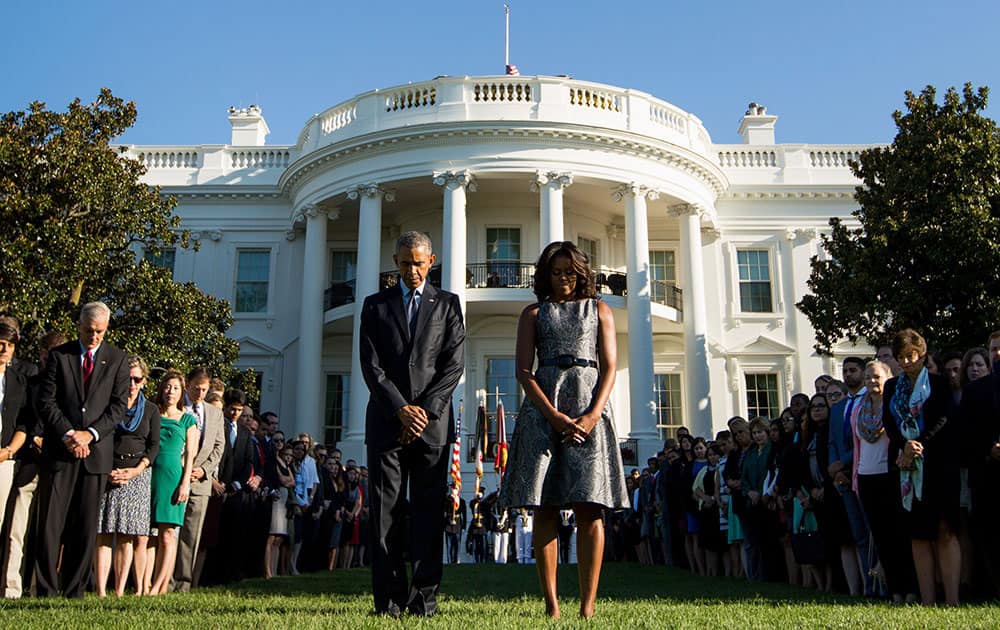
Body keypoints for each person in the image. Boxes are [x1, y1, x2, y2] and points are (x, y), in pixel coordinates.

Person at [498, 241, 629, 619]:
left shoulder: (600, 311)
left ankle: (587, 606)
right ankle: (552, 604)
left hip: (590, 407)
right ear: (545, 275)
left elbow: (609, 367)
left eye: (570, 272)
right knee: (546, 506)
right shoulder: (533, 313)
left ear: (582, 273)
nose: (563, 279)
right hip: (544, 410)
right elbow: (524, 370)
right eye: (556, 272)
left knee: (591, 507)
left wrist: (591, 417)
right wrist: (553, 415)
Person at [359, 230, 466, 618]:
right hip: (388, 424)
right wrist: (401, 409)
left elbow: (453, 365)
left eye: (419, 263)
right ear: (395, 261)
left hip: (432, 427)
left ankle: (423, 600)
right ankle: (387, 601)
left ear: (431, 261)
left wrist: (424, 411)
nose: (412, 271)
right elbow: (371, 366)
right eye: (405, 263)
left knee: (427, 516)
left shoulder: (449, 305)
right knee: (385, 515)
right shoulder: (375, 305)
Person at [34, 302, 129, 598]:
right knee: (50, 524)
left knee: (86, 527)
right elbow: (46, 401)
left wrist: (90, 434)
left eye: (100, 331)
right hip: (61, 453)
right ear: (79, 325)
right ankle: (46, 588)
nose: (94, 336)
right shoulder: (60, 356)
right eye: (89, 330)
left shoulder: (117, 359)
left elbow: (118, 407)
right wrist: (69, 434)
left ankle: (74, 588)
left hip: (95, 455)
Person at [883, 329, 961, 606]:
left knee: (944, 529)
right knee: (917, 533)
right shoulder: (892, 388)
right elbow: (889, 424)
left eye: (910, 356)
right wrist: (904, 445)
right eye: (900, 358)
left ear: (922, 354)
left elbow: (945, 418)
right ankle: (928, 601)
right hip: (906, 467)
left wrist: (919, 443)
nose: (905, 363)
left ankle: (952, 600)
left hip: (939, 464)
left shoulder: (939, 384)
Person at [2, 329, 66, 600]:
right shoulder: (30, 382)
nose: (46, 360)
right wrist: (32, 441)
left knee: (50, 531)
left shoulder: (70, 389)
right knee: (16, 530)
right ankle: (11, 587)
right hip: (27, 463)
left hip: (56, 465)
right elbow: (24, 419)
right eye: (43, 355)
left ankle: (42, 587)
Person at [850, 360, 917, 602]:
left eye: (876, 377)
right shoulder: (858, 408)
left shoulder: (894, 406)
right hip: (866, 477)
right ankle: (894, 590)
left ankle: (911, 589)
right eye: (867, 377)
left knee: (900, 534)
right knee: (881, 537)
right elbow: (857, 446)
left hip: (890, 475)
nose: (871, 381)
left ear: (888, 378)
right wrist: (856, 478)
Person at [94, 355, 160, 597]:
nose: (131, 384)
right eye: (127, 379)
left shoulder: (151, 410)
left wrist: (135, 470)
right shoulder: (109, 405)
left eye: (137, 379)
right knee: (102, 534)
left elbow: (153, 446)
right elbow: (101, 436)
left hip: (137, 474)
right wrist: (107, 469)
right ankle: (101, 591)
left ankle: (120, 591)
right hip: (108, 471)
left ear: (144, 381)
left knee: (127, 536)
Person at [173, 367, 225, 593]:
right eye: (196, 388)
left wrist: (204, 470)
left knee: (191, 536)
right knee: (169, 533)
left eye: (204, 390)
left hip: (200, 483)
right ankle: (163, 580)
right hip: (174, 478)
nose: (200, 394)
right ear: (187, 385)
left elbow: (218, 446)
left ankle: (183, 583)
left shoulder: (214, 413)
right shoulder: (175, 408)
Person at [148, 370, 199, 595]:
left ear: (182, 392)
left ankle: (160, 586)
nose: (171, 392)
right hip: (149, 474)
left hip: (173, 477)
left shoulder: (188, 419)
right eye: (168, 387)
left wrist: (185, 482)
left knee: (167, 535)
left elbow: (190, 453)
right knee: (147, 535)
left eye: (176, 388)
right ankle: (144, 584)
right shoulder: (152, 413)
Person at [0, 322, 33, 542]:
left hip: (4, 460)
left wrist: (9, 451)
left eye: (10, 346)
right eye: (1, 344)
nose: (4, 350)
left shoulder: (18, 382)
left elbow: (24, 424)